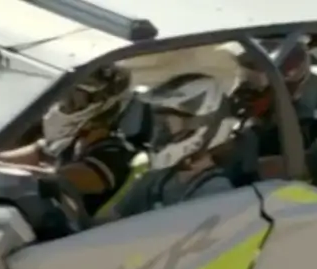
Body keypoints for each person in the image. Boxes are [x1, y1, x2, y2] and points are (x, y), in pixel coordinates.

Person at [0, 64, 139, 215]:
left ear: (104, 105)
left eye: (75, 98)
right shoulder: (68, 141)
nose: (65, 102)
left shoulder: (113, 155)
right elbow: (4, 159)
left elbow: (55, 180)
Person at [99, 72, 240, 221]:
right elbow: (108, 222)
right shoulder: (155, 178)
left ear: (204, 129)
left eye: (168, 124)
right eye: (159, 123)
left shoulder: (215, 193)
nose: (159, 131)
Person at [224, 37, 317, 180]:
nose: (240, 92)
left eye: (253, 86)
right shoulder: (249, 125)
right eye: (243, 80)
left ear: (283, 91)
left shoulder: (298, 133)